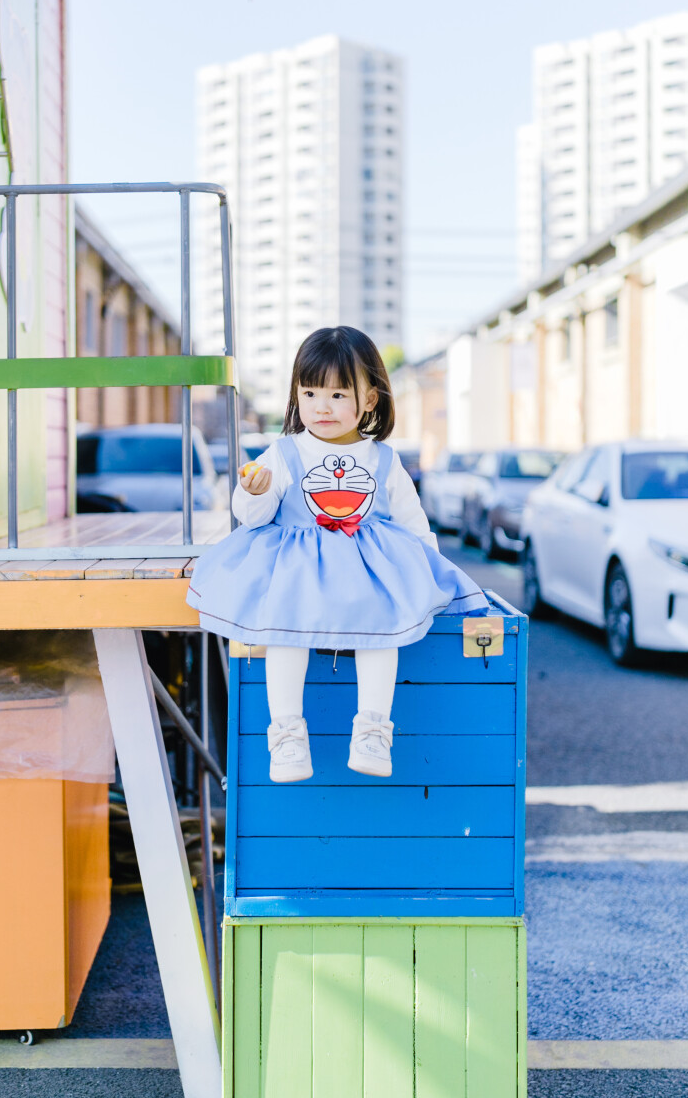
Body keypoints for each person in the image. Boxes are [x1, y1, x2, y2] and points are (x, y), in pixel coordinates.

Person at [187, 326, 487, 783]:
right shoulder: (284, 452)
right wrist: (253, 492)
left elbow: (413, 523)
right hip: (297, 576)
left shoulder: (383, 460)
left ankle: (372, 730)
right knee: (285, 633)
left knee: (381, 633)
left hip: (367, 579)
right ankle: (286, 735)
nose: (321, 407)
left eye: (338, 394)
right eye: (309, 393)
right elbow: (254, 516)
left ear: (369, 400)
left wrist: (430, 576)